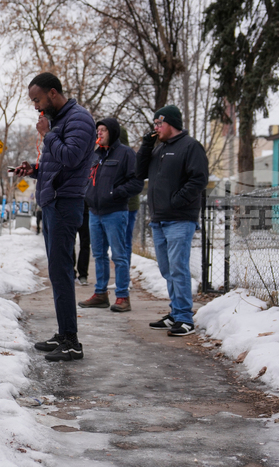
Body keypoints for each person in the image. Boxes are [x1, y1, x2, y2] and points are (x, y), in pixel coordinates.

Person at [13, 73, 96, 362]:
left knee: (61, 272)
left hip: (65, 203)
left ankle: (72, 341)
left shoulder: (79, 119)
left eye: (37, 99)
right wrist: (33, 170)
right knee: (56, 272)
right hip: (53, 201)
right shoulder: (61, 121)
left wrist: (47, 135)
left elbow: (72, 158)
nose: (36, 106)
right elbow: (58, 163)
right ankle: (63, 334)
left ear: (52, 93)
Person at [135, 104, 209, 337]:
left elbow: (199, 179)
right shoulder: (158, 150)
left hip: (179, 219)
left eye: (159, 123)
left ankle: (185, 318)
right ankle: (175, 313)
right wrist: (147, 145)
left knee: (178, 268)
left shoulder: (190, 147)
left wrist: (176, 201)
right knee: (167, 269)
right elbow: (139, 172)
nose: (156, 127)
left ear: (172, 124)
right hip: (159, 219)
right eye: (154, 124)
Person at [78, 117, 143, 312]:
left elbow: (136, 182)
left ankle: (122, 296)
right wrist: (87, 193)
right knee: (98, 255)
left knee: (119, 255)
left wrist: (115, 193)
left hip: (115, 212)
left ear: (112, 132)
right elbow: (87, 178)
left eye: (103, 130)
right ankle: (100, 294)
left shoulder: (126, 154)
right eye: (98, 130)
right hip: (94, 212)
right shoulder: (94, 155)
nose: (99, 133)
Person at [118, 128, 142, 263]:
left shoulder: (128, 155)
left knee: (125, 242)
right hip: (117, 205)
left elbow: (135, 181)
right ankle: (121, 278)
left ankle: (124, 279)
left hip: (128, 206)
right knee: (120, 243)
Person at [76, 204, 90, 286]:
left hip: (86, 212)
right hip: (70, 211)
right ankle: (71, 272)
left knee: (85, 244)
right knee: (69, 244)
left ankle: (83, 274)